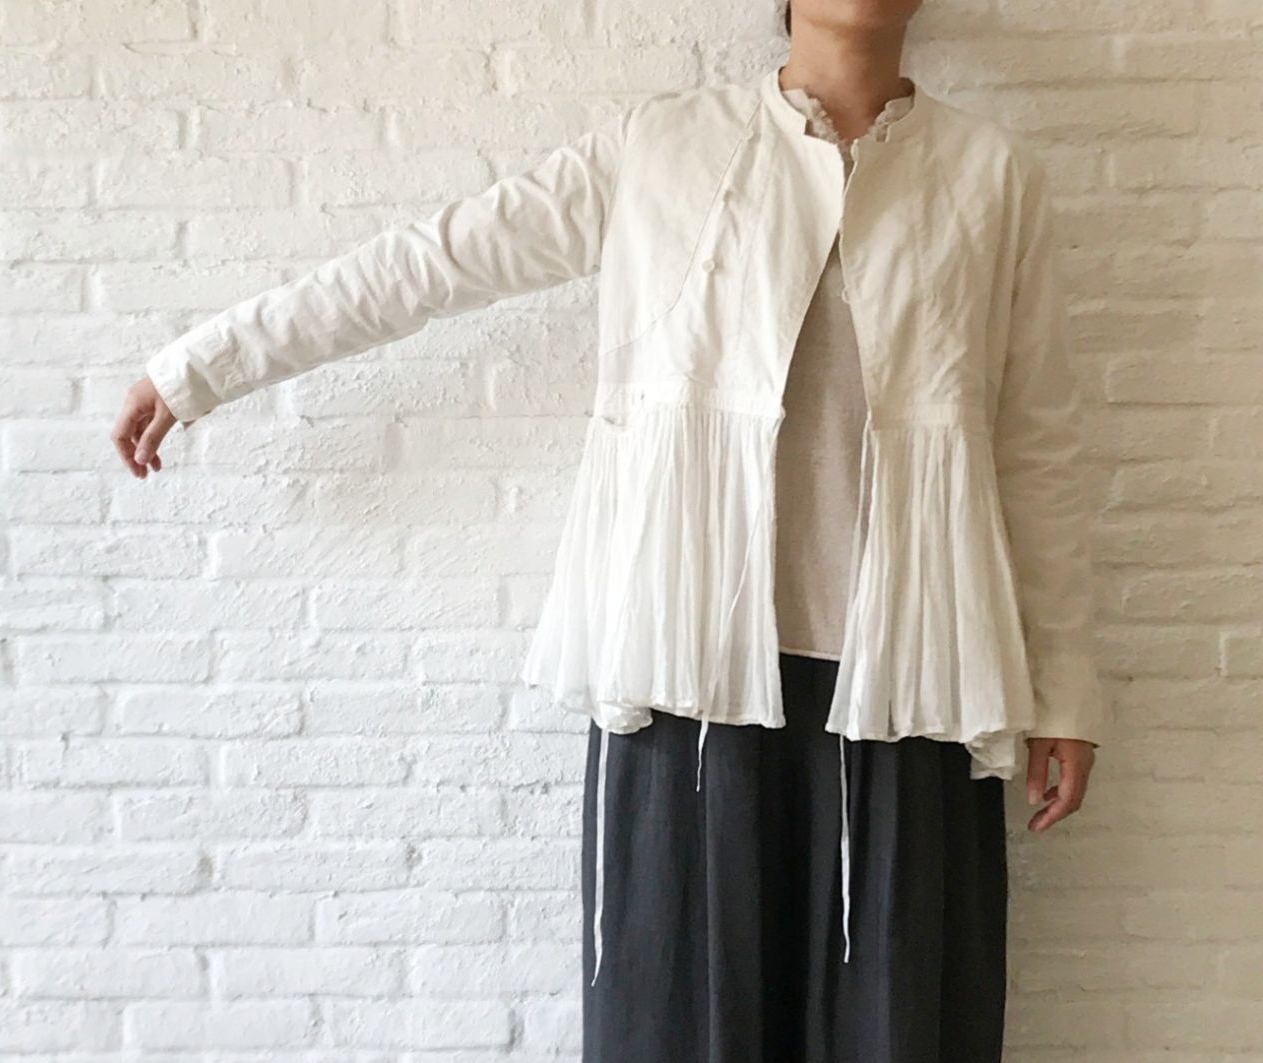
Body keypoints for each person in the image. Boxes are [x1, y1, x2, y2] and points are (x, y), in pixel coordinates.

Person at [111, 1, 1105, 1059]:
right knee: (679, 1028)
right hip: (691, 678)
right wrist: (201, 367)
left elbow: (1034, 446)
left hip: (914, 679)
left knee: (901, 1031)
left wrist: (1063, 689)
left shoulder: (992, 178)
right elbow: (432, 262)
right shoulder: (663, 148)